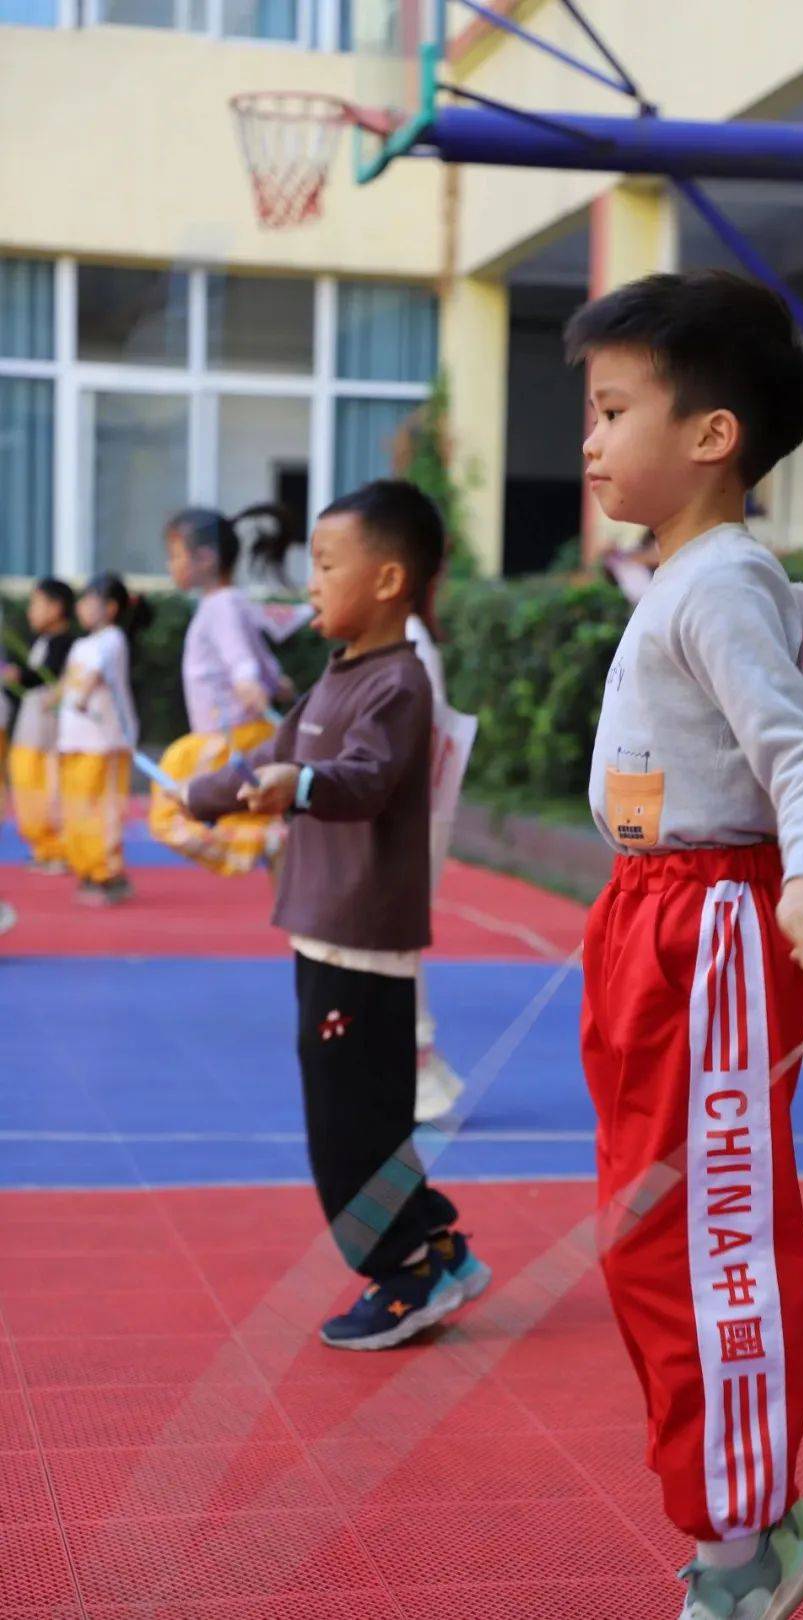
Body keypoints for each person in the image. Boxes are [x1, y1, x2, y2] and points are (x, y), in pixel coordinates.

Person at [567, 271, 803, 1620]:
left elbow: (800, 755)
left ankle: (744, 1547)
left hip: (716, 930)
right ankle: (745, 1512)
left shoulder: (721, 584)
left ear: (711, 437)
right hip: (649, 914)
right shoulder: (680, 577)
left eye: (615, 408)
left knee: (704, 1234)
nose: (590, 437)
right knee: (646, 1233)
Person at [184, 479, 490, 1349]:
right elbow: (271, 761)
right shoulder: (337, 675)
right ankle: (437, 1244)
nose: (310, 583)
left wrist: (304, 786)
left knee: (348, 1134)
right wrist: (196, 799)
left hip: (362, 939)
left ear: (389, 580)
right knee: (359, 1118)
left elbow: (360, 782)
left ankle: (405, 1277)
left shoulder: (398, 684)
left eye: (326, 565)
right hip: (324, 931)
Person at [149, 504, 308, 876]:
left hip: (230, 741)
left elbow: (240, 657)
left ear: (204, 558)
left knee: (169, 812)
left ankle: (267, 839)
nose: (170, 565)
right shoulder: (232, 602)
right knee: (258, 821)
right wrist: (273, 682)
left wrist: (250, 682)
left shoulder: (220, 605)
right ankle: (271, 842)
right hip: (241, 734)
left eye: (174, 555)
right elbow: (253, 651)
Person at [405, 593, 465, 1123]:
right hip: (396, 817)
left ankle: (418, 1072)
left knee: (394, 946)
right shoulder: (396, 640)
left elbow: (418, 737)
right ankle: (415, 1070)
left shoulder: (409, 641)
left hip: (404, 818)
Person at [57, 573, 151, 905]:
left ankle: (108, 874)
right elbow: (70, 684)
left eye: (89, 599)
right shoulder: (81, 644)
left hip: (105, 741)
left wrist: (81, 694)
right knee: (76, 808)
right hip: (74, 740)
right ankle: (87, 868)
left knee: (103, 809)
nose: (81, 606)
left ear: (110, 608)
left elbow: (94, 675)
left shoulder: (112, 639)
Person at [3, 579, 77, 873]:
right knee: (25, 789)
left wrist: (19, 675)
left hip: (48, 733)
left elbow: (46, 676)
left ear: (56, 608)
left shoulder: (67, 643)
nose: (31, 612)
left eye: (37, 604)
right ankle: (42, 847)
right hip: (28, 730)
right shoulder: (41, 641)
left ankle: (57, 849)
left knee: (48, 792)